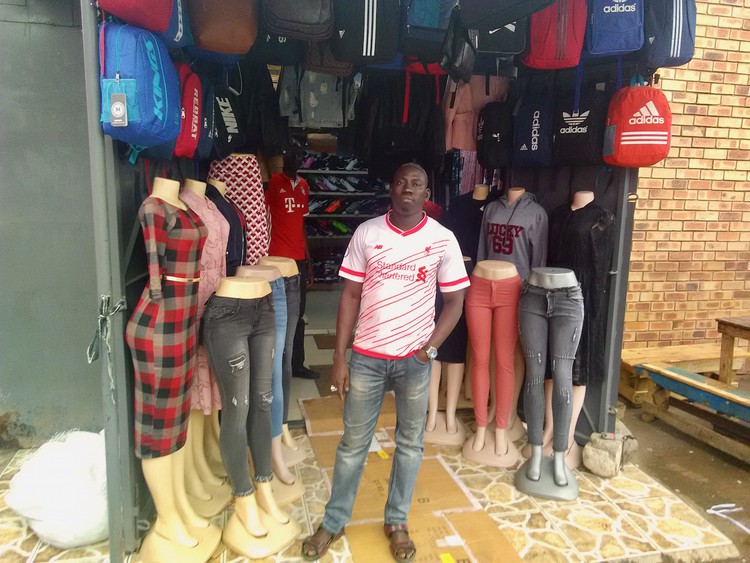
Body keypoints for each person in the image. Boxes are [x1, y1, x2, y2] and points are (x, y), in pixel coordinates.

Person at [301, 163, 470, 562]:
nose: (408, 189)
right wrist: (338, 357)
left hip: (415, 362)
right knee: (352, 445)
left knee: (410, 445)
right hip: (367, 360)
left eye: (416, 184)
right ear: (391, 189)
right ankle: (334, 520)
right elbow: (349, 298)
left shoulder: (443, 239)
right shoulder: (367, 233)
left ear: (427, 192)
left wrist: (430, 350)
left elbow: (456, 303)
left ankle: (396, 521)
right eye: (401, 182)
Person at [266, 150, 320, 380]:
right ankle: (274, 365)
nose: (293, 160)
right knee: (275, 313)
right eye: (289, 155)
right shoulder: (272, 184)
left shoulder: (304, 186)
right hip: (276, 258)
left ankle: (297, 364)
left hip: (297, 259)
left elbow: (301, 226)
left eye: (298, 156)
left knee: (298, 314)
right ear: (282, 159)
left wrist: (309, 263)